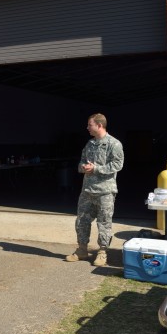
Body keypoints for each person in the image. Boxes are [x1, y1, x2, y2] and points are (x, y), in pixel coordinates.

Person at [66, 113, 124, 267]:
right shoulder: (90, 144)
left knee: (104, 222)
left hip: (105, 191)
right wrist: (83, 167)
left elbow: (118, 165)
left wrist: (96, 169)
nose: (87, 128)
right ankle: (82, 250)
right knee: (82, 221)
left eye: (89, 125)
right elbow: (81, 162)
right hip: (87, 191)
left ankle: (102, 252)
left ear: (99, 125)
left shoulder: (114, 144)